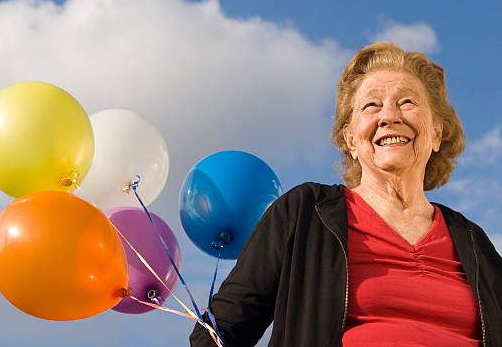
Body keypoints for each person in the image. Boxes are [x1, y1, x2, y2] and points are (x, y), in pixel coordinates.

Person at [189, 43, 501, 346]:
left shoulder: (474, 242)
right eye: (372, 105)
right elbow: (219, 333)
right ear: (350, 139)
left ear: (436, 134)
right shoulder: (304, 213)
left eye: (407, 102)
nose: (389, 116)